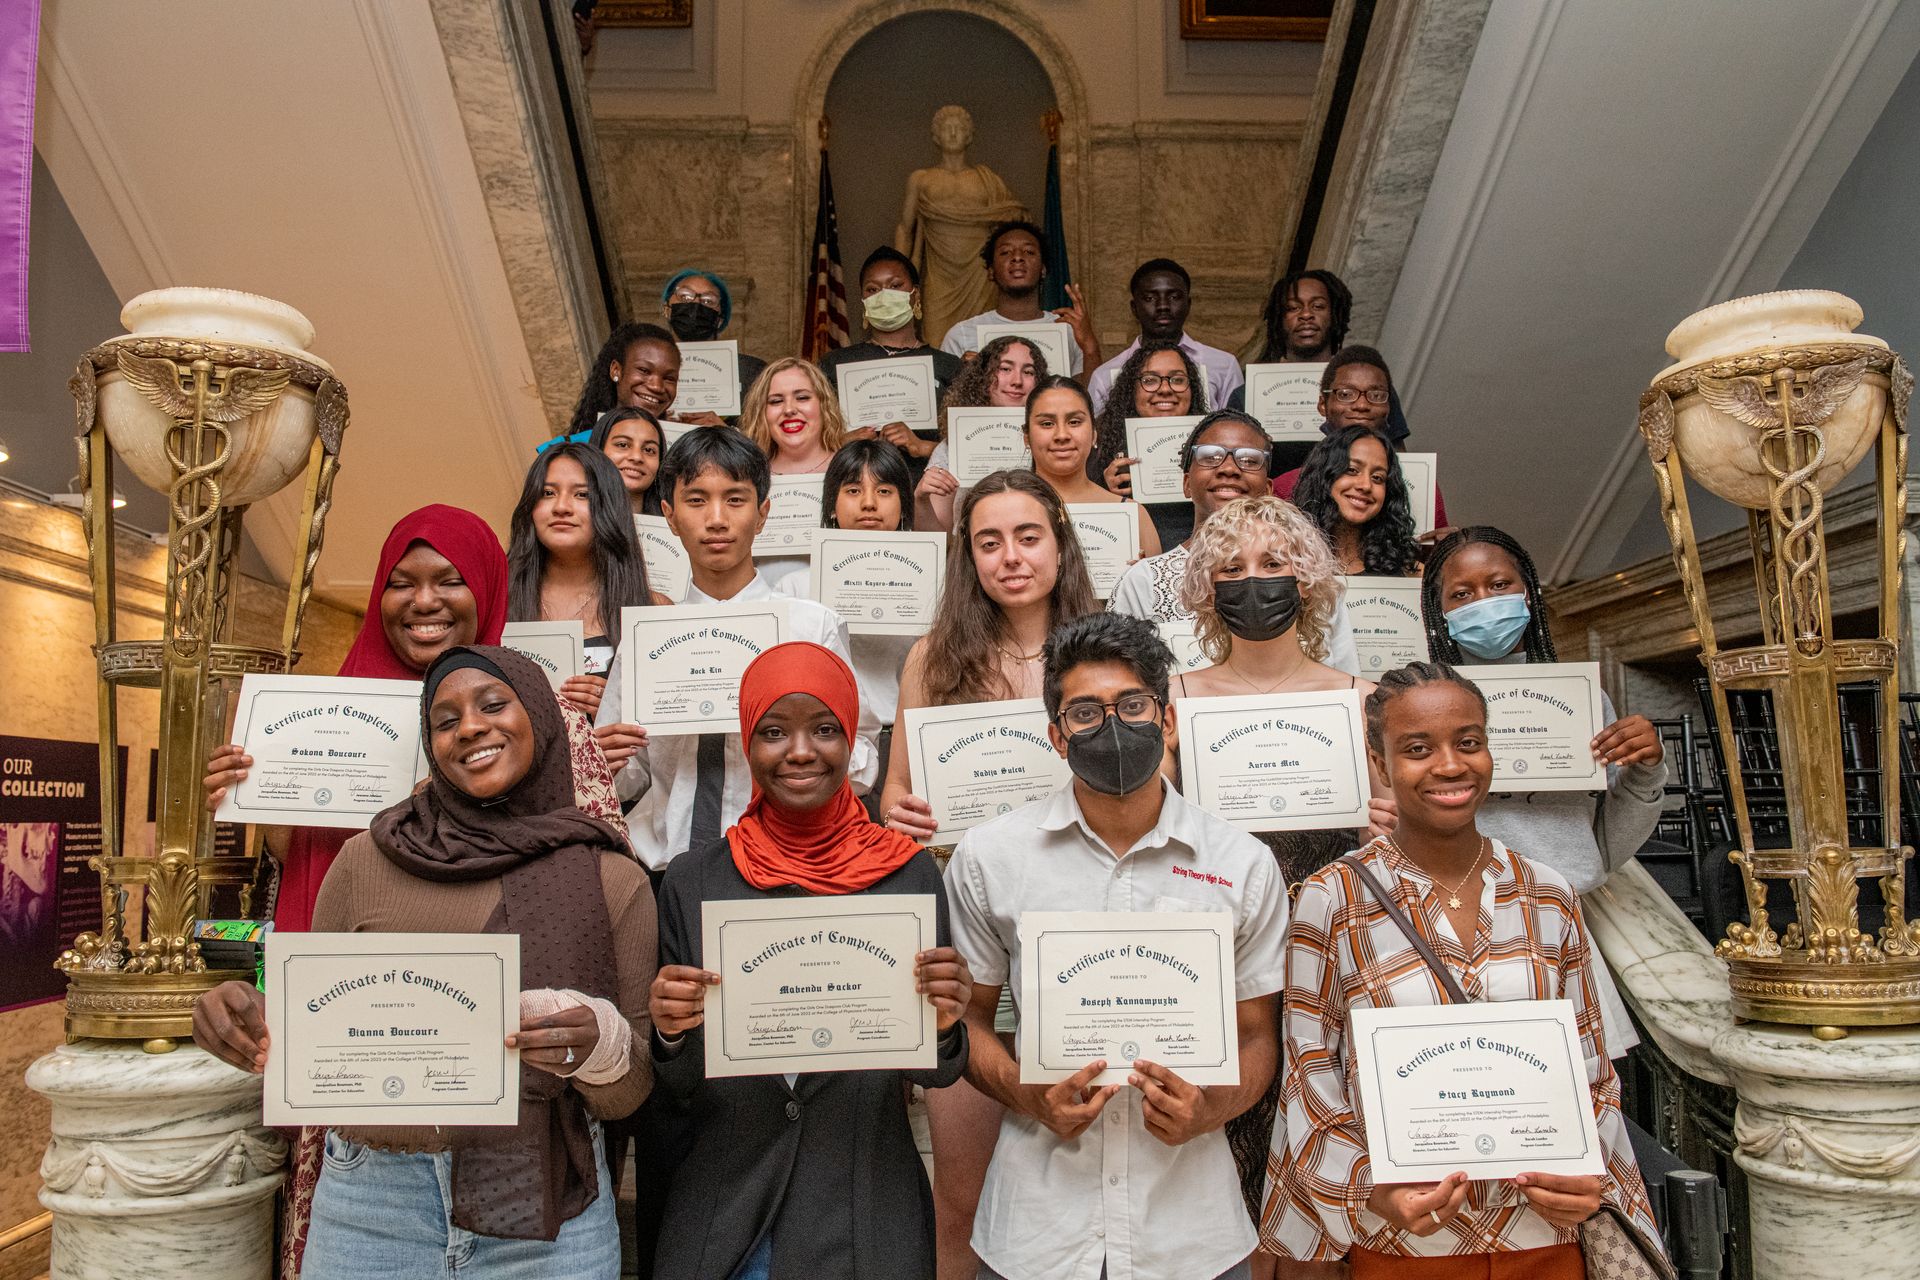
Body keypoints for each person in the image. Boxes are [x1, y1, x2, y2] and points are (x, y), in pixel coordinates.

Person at [193, 646, 658, 1280]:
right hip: (371, 1201)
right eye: (444, 720)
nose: (469, 727)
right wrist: (242, 1014)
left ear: (545, 720)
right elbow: (300, 1021)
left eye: (494, 705)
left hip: (548, 1210)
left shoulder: (612, 880)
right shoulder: (364, 861)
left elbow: (632, 1091)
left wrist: (598, 1044)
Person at [1260, 662, 1660, 1278]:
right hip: (1407, 1239)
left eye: (1468, 743)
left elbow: (1589, 1060)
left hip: (1543, 1230)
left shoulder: (1546, 892)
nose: (1450, 766)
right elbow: (1310, 1066)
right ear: (1378, 760)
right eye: (1417, 749)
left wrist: (1589, 1173)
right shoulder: (1330, 896)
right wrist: (1373, 1188)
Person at [199, 504, 511, 1278]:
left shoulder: (522, 717)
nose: (424, 600)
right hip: (349, 1021)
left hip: (476, 1039)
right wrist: (255, 793)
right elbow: (302, 862)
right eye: (401, 583)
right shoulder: (335, 699)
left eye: (449, 579)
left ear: (490, 589)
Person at [945, 611, 1290, 1280]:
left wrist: (1210, 1108)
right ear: (1055, 735)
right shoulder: (992, 857)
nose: (1112, 725)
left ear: (1166, 720)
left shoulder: (1242, 864)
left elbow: (1258, 1036)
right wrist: (1026, 1092)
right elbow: (968, 1020)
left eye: (1132, 705)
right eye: (1084, 712)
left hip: (1192, 1237)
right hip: (1036, 1237)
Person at [646, 641, 973, 1278]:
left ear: (852, 737)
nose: (799, 751)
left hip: (865, 1212)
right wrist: (668, 1032)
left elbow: (935, 1074)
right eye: (773, 731)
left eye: (824, 729)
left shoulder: (906, 876)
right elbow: (677, 1090)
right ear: (747, 742)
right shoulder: (693, 880)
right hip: (726, 1217)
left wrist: (943, 1021)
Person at [880, 469, 1099, 1279]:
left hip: (1084, 929)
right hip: (970, 934)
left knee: (1088, 1188)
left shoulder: (1108, 650)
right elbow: (896, 792)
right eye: (989, 541)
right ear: (966, 557)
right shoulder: (933, 658)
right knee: (962, 1195)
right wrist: (898, 809)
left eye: (1028, 536)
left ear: (1060, 544)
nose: (1011, 557)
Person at [1422, 525, 1664, 1052]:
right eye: (1461, 594)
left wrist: (1646, 771)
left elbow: (1604, 847)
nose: (1483, 602)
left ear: (1527, 593)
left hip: (1559, 933)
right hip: (1442, 929)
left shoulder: (1584, 700)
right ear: (1439, 611)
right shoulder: (1415, 705)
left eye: (1499, 585)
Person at [594, 427, 877, 874]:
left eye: (735, 499)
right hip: (667, 867)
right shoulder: (648, 636)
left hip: (789, 862)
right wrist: (605, 761)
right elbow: (634, 775)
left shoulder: (809, 626)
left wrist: (813, 753)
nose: (717, 518)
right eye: (696, 500)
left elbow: (861, 753)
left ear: (762, 514)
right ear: (669, 515)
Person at [1107, 411, 1364, 678]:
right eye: (1210, 457)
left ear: (1267, 489)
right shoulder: (1144, 581)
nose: (1229, 468)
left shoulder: (1310, 576)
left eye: (1249, 460)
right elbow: (1121, 681)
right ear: (1186, 484)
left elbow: (1344, 679)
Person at [765, 439, 920, 820]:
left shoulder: (934, 581)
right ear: (832, 506)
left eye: (884, 491)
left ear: (903, 507)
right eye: (853, 490)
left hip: (913, 747)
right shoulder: (795, 587)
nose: (869, 503)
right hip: (838, 752)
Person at [506, 443, 657, 715]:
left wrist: (615, 709)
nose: (561, 507)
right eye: (548, 493)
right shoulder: (498, 602)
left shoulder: (652, 609)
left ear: (610, 507)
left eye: (582, 495)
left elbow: (667, 726)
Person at [1269, 346, 1450, 530]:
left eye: (1376, 395)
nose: (1362, 405)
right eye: (1346, 394)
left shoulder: (1422, 487)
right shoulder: (1284, 488)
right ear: (1323, 405)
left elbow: (1431, 552)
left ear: (1388, 408)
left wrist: (1445, 548)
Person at [818, 246, 964, 460]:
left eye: (895, 286)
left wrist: (921, 446)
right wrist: (840, 443)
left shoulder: (949, 366)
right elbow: (806, 442)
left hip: (931, 486)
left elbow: (972, 448)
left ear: (916, 295)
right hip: (855, 482)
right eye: (872, 289)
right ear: (863, 301)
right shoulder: (834, 365)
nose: (884, 296)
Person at [915, 333, 1047, 533]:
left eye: (1028, 372)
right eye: (1005, 369)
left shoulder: (1051, 442)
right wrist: (921, 499)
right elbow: (938, 539)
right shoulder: (953, 447)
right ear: (983, 377)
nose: (1017, 381)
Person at [1022, 375, 1162, 559]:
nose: (1062, 435)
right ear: (1027, 437)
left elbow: (1152, 586)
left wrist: (1140, 576)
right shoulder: (1003, 510)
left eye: (1074, 422)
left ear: (1094, 434)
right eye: (1047, 424)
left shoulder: (1133, 515)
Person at [1090, 339, 1212, 548]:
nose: (1165, 389)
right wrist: (1105, 492)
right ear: (1132, 389)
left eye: (1177, 379)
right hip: (1136, 550)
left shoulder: (1213, 439)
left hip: (1204, 547)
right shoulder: (1102, 444)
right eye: (1150, 380)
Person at [938, 219, 1097, 374]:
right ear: (991, 270)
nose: (1017, 257)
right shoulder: (962, 334)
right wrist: (966, 377)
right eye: (1005, 252)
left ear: (1043, 269)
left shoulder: (1067, 329)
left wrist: (1090, 347)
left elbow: (1087, 395)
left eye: (1029, 251)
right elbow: (949, 399)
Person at [1087, 258, 1243, 415]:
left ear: (1188, 304)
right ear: (1134, 308)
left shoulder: (1224, 366)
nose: (1163, 306)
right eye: (1150, 298)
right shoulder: (1105, 376)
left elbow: (1240, 430)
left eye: (1174, 297)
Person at [1290, 426, 1422, 577]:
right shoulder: (1285, 559)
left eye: (1377, 478)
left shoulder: (1410, 573)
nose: (1366, 485)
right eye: (1352, 470)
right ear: (1323, 476)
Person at [659, 268, 767, 419]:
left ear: (720, 319)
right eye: (684, 296)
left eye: (708, 301)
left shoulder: (751, 371)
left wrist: (725, 432)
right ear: (667, 310)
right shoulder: (649, 368)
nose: (696, 304)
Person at [564, 321, 683, 438]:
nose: (657, 386)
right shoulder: (569, 451)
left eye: (669, 378)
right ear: (616, 370)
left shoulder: (681, 452)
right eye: (644, 370)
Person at [741, 356, 848, 478]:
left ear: (824, 406)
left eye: (802, 398)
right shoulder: (747, 477)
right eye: (776, 401)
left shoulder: (852, 470)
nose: (789, 409)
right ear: (761, 413)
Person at [588, 405, 666, 516]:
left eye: (649, 450)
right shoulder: (576, 521)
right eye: (623, 445)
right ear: (598, 449)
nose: (637, 457)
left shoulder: (673, 526)